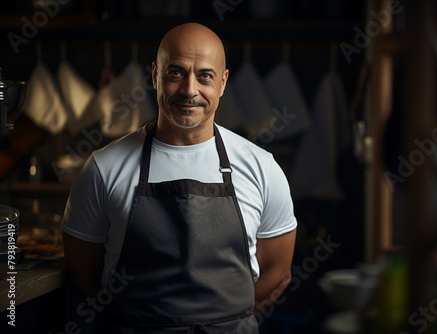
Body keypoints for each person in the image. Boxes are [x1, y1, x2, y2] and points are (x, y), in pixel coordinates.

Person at [62, 22, 297, 333]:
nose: (189, 89)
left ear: (223, 82)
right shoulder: (103, 167)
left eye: (205, 76)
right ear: (155, 75)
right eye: (175, 72)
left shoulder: (261, 167)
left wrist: (227, 319)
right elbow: (81, 272)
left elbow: (278, 271)